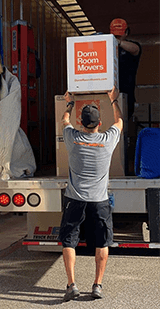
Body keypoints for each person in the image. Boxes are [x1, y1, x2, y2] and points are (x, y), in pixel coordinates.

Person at [59, 86, 123, 302]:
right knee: (102, 242)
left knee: (69, 241)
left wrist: (69, 102)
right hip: (99, 201)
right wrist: (113, 100)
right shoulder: (108, 140)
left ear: (82, 123)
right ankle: (97, 285)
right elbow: (120, 122)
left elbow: (64, 120)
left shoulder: (72, 138)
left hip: (75, 200)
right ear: (99, 123)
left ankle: (71, 285)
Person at [110, 18, 142, 119]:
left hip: (126, 94)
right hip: (110, 93)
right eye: (115, 35)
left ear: (126, 32)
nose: (117, 37)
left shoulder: (131, 46)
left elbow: (136, 49)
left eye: (119, 35)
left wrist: (118, 42)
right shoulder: (108, 46)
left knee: (124, 121)